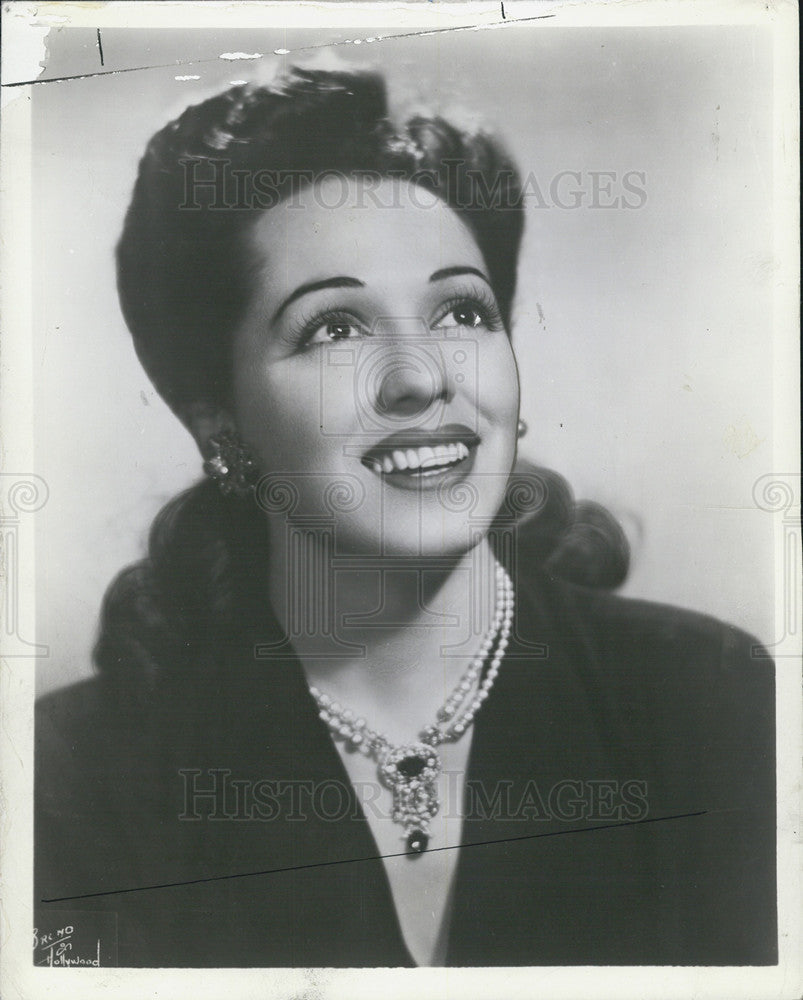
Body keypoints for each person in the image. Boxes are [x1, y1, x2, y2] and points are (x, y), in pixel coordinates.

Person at [35, 67, 776, 968]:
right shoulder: (70, 781)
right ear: (218, 420)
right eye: (334, 329)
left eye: (462, 311)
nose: (421, 377)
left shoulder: (710, 701)